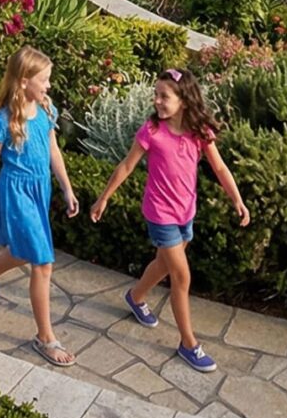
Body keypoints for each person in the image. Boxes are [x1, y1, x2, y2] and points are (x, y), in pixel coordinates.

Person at [90, 67, 251, 374]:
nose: (157, 101)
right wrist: (103, 198)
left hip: (185, 212)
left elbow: (219, 168)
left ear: (184, 100)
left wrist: (237, 199)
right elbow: (126, 166)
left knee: (164, 265)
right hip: (160, 214)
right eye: (156, 95)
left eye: (164, 96)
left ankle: (136, 297)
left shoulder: (200, 132)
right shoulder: (151, 131)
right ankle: (188, 343)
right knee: (181, 276)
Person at [0, 46, 79, 368]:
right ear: (24, 80)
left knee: (25, 252)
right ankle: (45, 337)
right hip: (16, 192)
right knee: (42, 262)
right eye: (44, 80)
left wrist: (67, 188)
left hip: (40, 189)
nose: (49, 85)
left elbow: (54, 150)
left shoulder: (46, 110)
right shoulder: (4, 120)